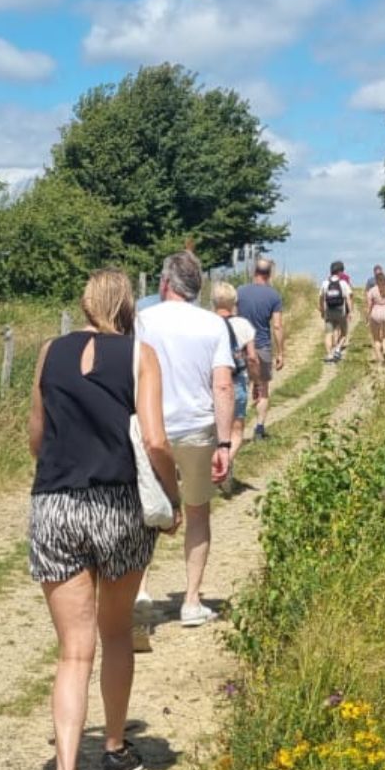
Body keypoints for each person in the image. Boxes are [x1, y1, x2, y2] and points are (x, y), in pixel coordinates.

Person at [28, 268, 180, 770]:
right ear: (126, 306)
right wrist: (170, 500)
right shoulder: (141, 356)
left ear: (86, 304)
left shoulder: (49, 352)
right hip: (116, 505)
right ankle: (113, 749)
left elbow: (36, 433)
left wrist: (53, 474)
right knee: (115, 633)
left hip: (56, 504)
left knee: (73, 652)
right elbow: (158, 442)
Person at [137, 250, 234, 628]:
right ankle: (191, 601)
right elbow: (222, 384)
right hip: (196, 428)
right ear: (198, 287)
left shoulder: (143, 321)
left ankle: (141, 591)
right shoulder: (213, 325)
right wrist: (224, 443)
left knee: (146, 511)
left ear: (164, 282)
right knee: (197, 511)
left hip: (150, 429)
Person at [211, 280, 260, 494]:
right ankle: (225, 464)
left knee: (213, 430)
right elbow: (252, 357)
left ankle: (215, 464)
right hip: (236, 380)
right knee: (237, 430)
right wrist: (257, 382)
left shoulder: (205, 323)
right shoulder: (243, 325)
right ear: (234, 302)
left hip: (211, 381)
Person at [236, 257, 284, 440]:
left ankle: (235, 428)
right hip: (262, 346)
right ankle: (259, 428)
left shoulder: (239, 292)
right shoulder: (274, 296)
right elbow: (277, 326)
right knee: (262, 388)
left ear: (253, 272)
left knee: (240, 387)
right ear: (269, 274)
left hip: (240, 347)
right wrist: (280, 352)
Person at [319, 260, 353, 363]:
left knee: (328, 333)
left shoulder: (325, 283)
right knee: (344, 333)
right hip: (340, 312)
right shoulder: (343, 283)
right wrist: (350, 312)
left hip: (329, 311)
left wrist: (322, 310)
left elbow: (321, 298)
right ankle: (338, 349)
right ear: (340, 272)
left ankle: (329, 355)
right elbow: (348, 298)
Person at [365, 265, 385, 365]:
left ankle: (379, 359)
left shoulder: (372, 290)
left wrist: (367, 317)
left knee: (376, 338)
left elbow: (369, 305)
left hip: (375, 312)